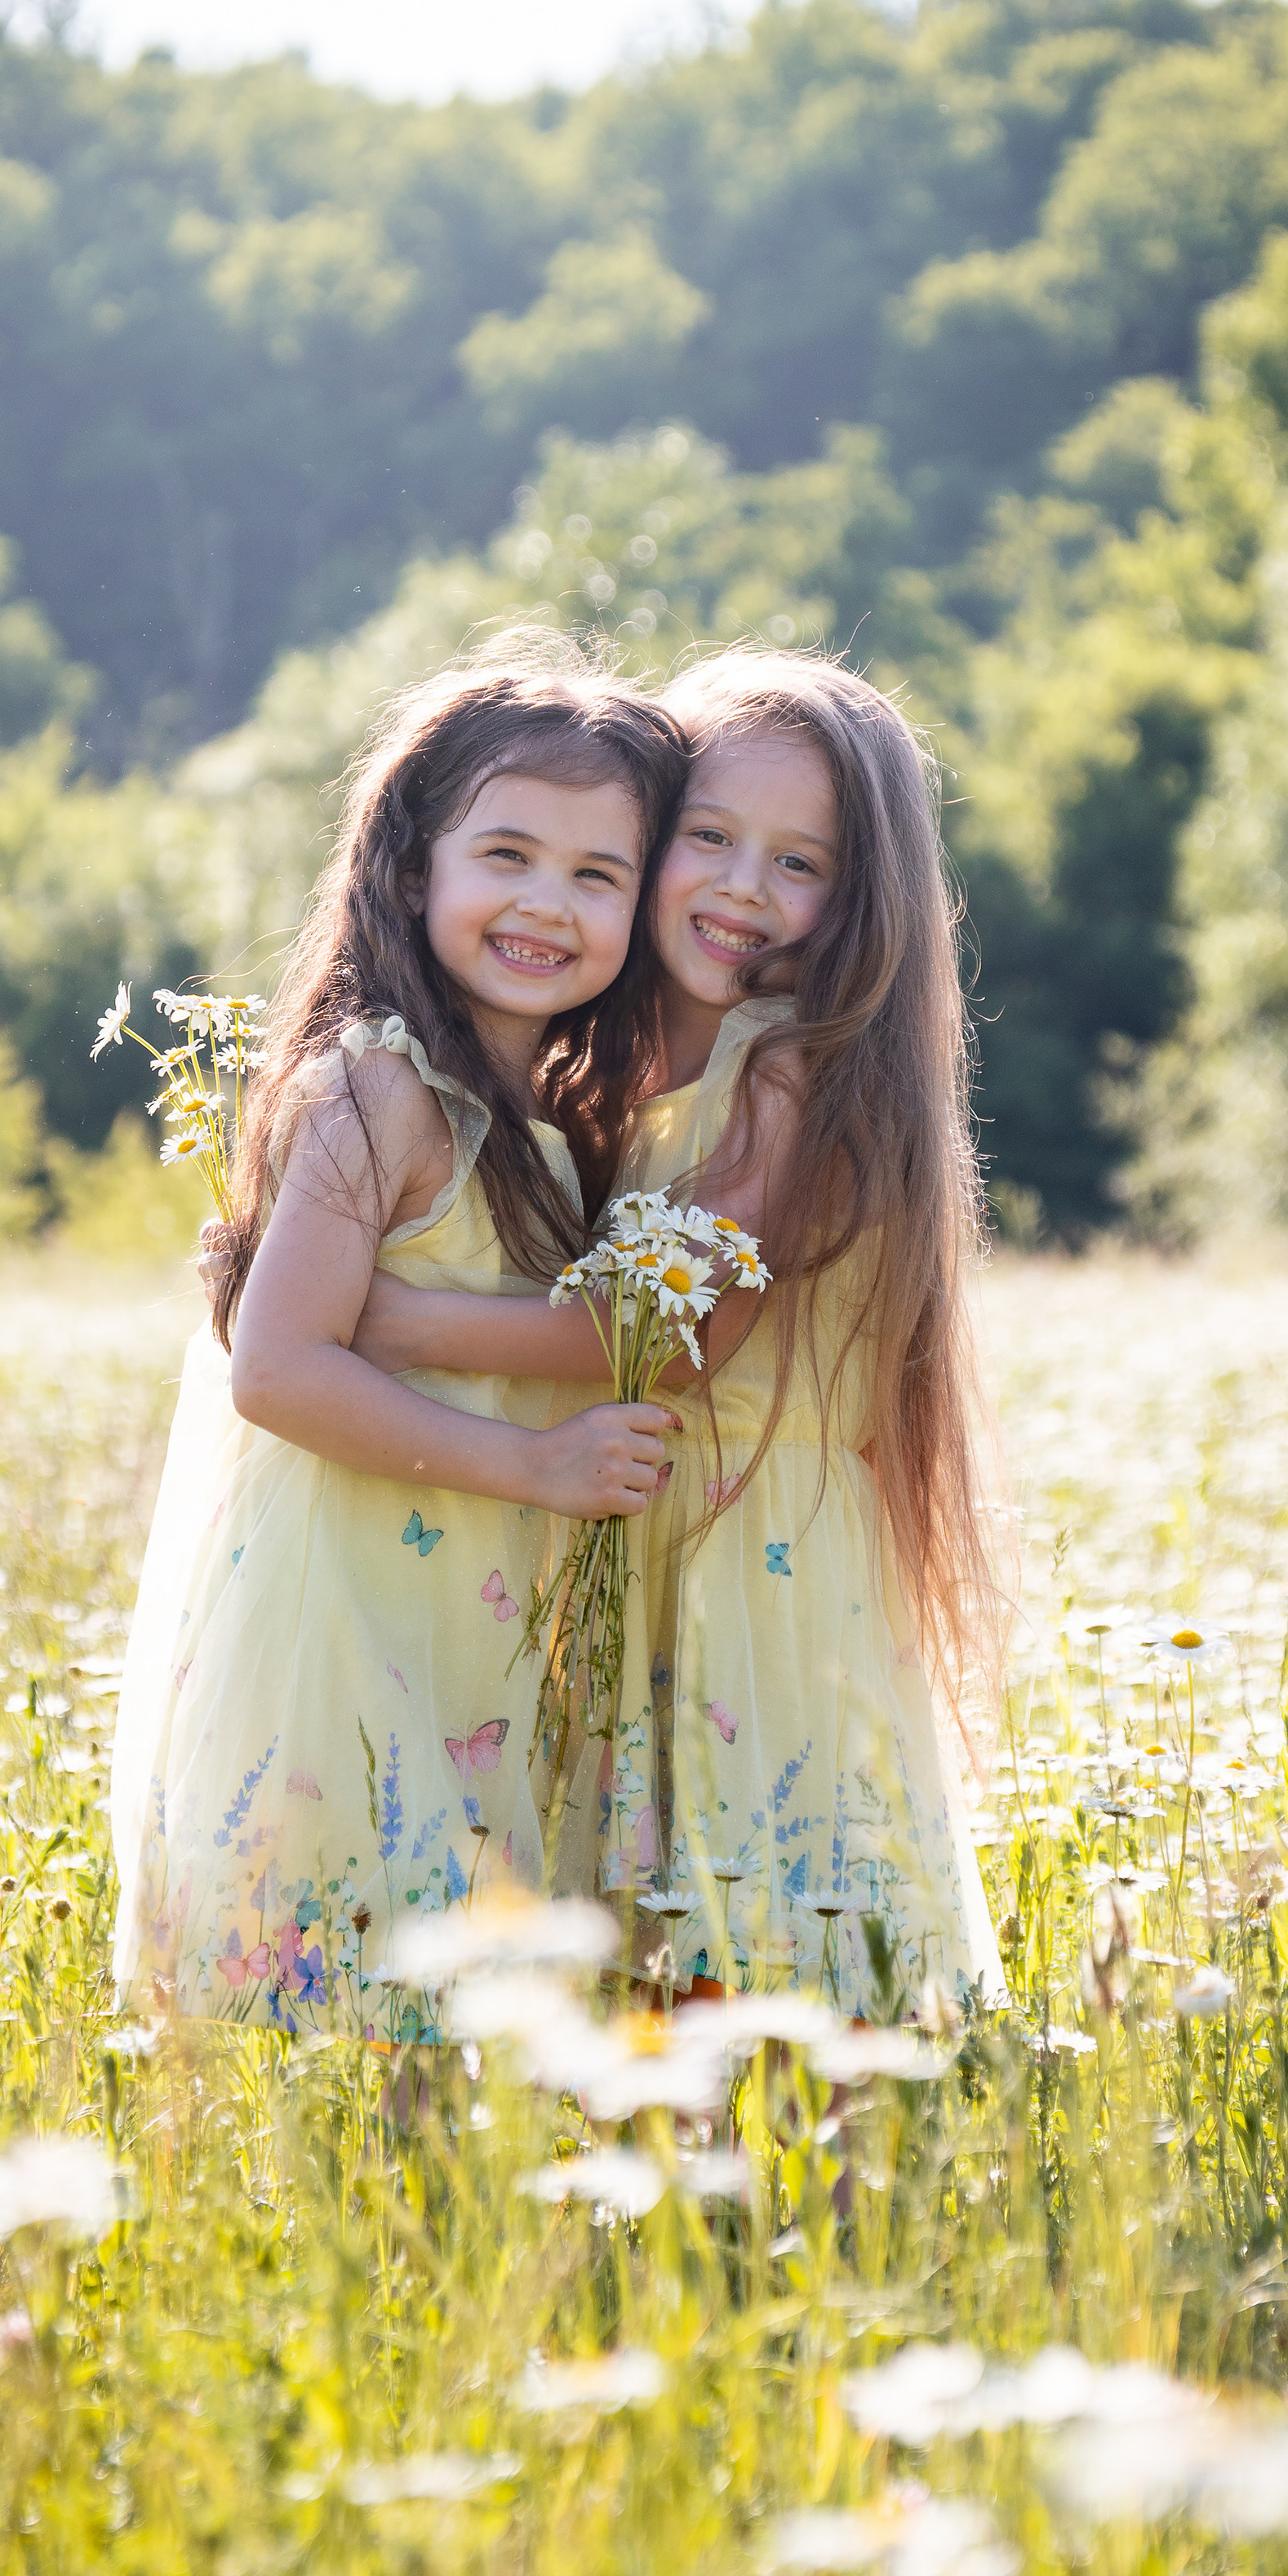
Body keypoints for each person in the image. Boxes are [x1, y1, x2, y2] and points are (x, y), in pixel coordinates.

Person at [348, 647, 1007, 2014]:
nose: (742, 887)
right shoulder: (632, 1065)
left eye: (800, 864)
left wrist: (395, 1316)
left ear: (860, 900)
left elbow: (672, 1335)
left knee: (766, 1951)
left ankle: (816, 2213)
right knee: (644, 1951)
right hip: (646, 1526)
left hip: (750, 1553)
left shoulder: (786, 1070)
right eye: (707, 837)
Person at [110, 641, 688, 2026]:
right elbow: (280, 1369)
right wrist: (540, 1470)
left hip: (463, 1610)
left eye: (596, 876)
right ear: (414, 864)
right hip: (353, 1599)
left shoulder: (548, 1112)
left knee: (458, 1986)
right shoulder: (377, 1087)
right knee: (368, 1987)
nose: (547, 903)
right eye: (508, 855)